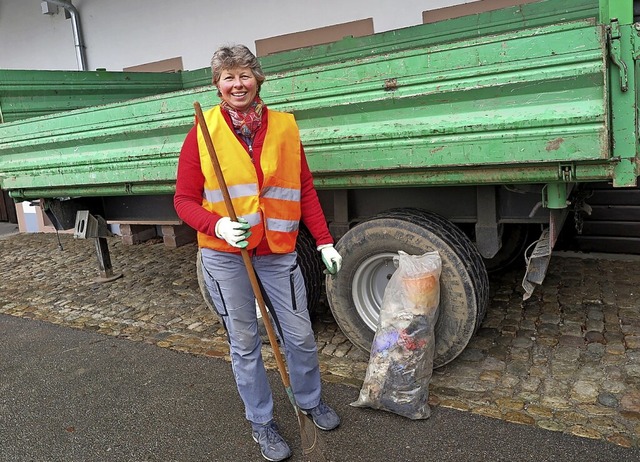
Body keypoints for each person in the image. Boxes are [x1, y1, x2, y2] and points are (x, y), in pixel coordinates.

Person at [174, 44, 343, 462]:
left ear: (258, 79)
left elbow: (303, 188)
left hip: (278, 252)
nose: (238, 84)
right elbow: (183, 200)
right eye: (228, 77)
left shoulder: (285, 127)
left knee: (300, 337)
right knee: (245, 342)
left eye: (244, 75)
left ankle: (309, 400)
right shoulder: (203, 132)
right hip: (225, 256)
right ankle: (262, 423)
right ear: (217, 85)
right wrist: (217, 225)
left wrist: (323, 240)